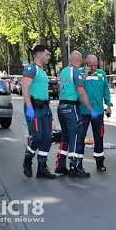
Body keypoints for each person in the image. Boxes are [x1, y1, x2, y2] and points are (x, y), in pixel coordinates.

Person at [55, 51, 95, 178]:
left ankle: (60, 165)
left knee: (65, 137)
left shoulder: (64, 71)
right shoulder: (76, 72)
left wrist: (84, 76)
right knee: (76, 136)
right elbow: (81, 93)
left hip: (61, 106)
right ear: (80, 60)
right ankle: (74, 166)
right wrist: (90, 108)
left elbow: (64, 86)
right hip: (72, 107)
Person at [21, 45, 56, 179]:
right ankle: (27, 160)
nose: (49, 57)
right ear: (39, 54)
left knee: (47, 138)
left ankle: (42, 168)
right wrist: (29, 107)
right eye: (47, 54)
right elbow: (25, 88)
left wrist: (51, 117)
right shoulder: (31, 68)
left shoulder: (42, 71)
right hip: (34, 108)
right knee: (37, 136)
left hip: (45, 109)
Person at [76, 54, 112, 172]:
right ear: (86, 64)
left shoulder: (102, 74)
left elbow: (106, 90)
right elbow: (77, 87)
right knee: (80, 137)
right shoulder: (80, 73)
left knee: (99, 136)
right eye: (90, 65)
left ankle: (99, 162)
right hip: (83, 111)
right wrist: (85, 74)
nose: (93, 68)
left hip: (98, 111)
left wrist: (108, 105)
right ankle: (78, 163)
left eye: (95, 65)